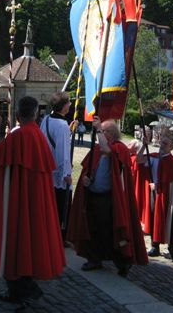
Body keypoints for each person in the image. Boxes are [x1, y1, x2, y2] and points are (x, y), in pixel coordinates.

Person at [0, 96, 65, 306]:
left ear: (18, 114)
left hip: (18, 205)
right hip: (31, 204)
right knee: (24, 243)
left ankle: (25, 290)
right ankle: (19, 291)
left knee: (15, 243)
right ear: (37, 114)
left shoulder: (19, 136)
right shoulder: (37, 135)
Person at [67, 117, 148, 277]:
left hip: (111, 200)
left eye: (103, 131)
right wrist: (86, 180)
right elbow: (90, 170)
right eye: (100, 131)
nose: (100, 135)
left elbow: (108, 151)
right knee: (93, 229)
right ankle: (94, 258)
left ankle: (123, 262)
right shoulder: (96, 150)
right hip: (94, 196)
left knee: (113, 231)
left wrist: (97, 128)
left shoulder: (119, 148)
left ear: (111, 134)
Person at [137, 132, 173, 260]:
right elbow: (138, 160)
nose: (162, 145)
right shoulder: (153, 157)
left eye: (165, 144)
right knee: (154, 219)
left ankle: (172, 249)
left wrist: (158, 185)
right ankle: (155, 246)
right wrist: (144, 145)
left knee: (170, 219)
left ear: (171, 147)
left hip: (168, 196)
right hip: (155, 193)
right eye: (161, 143)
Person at [40, 91, 77, 241]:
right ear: (63, 106)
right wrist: (66, 174)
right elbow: (62, 152)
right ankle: (59, 238)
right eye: (68, 102)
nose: (70, 105)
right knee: (60, 209)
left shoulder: (47, 119)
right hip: (58, 175)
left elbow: (53, 142)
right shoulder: (61, 125)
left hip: (48, 171)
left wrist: (68, 130)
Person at [127, 126, 152, 223]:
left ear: (135, 148)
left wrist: (144, 145)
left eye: (130, 144)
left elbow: (137, 163)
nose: (128, 145)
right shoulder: (127, 155)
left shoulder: (135, 158)